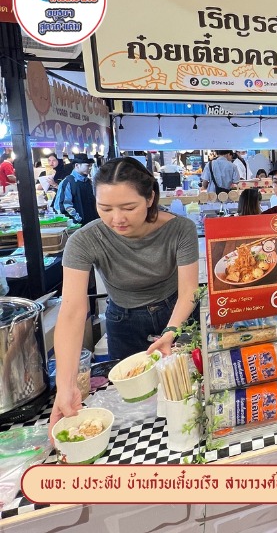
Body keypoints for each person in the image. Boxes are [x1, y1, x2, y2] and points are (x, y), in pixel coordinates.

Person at [49, 158, 199, 433]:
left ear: (150, 198)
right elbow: (71, 312)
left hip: (178, 314)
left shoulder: (181, 229)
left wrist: (171, 331)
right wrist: (66, 385)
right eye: (105, 208)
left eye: (129, 208)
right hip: (125, 322)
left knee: (187, 396)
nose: (117, 219)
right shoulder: (85, 240)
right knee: (134, 408)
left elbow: (189, 289)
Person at [55, 153, 99, 226]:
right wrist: (77, 219)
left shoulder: (89, 182)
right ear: (77, 165)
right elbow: (63, 206)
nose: (90, 168)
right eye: (88, 165)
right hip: (77, 226)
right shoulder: (68, 182)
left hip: (93, 224)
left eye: (91, 165)